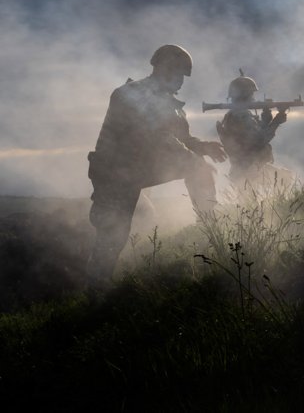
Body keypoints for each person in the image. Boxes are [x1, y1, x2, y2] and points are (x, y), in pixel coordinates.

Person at [87, 44, 226, 284]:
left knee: (197, 167)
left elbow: (181, 139)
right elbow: (157, 135)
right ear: (164, 69)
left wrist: (203, 147)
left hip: (137, 169)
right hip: (115, 173)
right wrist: (193, 158)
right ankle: (96, 289)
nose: (182, 81)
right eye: (179, 74)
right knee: (112, 234)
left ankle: (210, 231)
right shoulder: (131, 93)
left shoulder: (167, 101)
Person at [215, 75, 288, 184]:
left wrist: (266, 120)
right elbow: (259, 140)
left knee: (285, 177)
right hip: (248, 171)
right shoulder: (241, 116)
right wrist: (277, 121)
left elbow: (252, 136)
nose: (253, 98)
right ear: (245, 96)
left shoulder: (235, 115)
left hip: (248, 168)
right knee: (285, 179)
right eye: (252, 95)